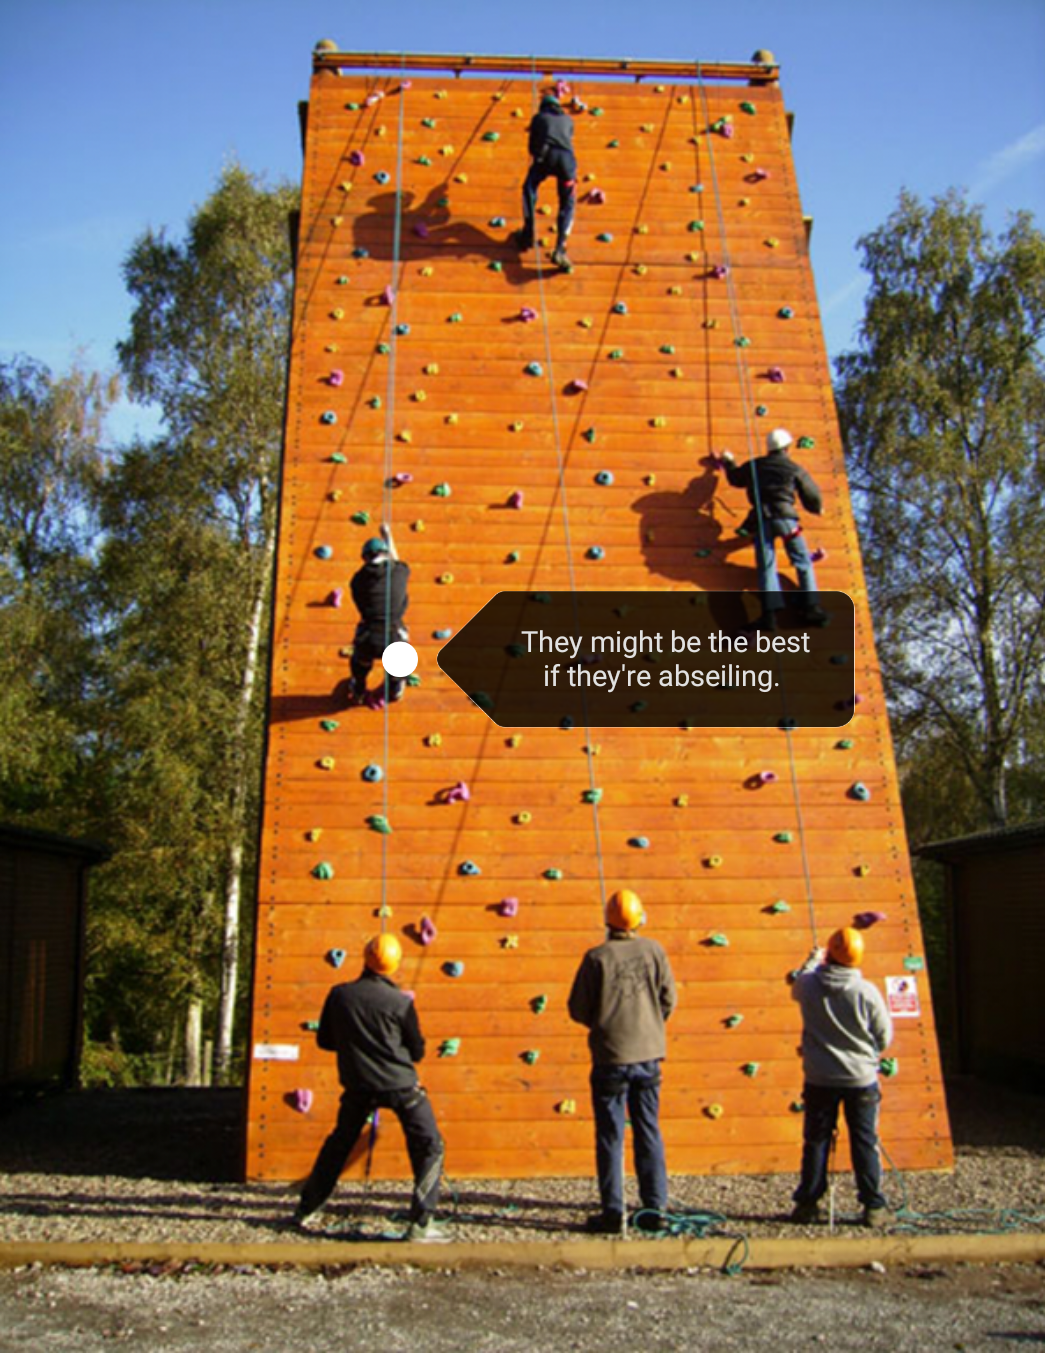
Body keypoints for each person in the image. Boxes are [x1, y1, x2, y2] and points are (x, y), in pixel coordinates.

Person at [293, 933, 446, 1241]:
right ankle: (421, 1223)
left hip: (358, 1086)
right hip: (401, 1086)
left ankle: (306, 1209)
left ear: (365, 958)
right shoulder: (400, 1003)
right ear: (395, 964)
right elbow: (416, 1051)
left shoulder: (339, 995)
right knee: (430, 1145)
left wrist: (356, 1047)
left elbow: (325, 1041)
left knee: (339, 1144)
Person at [567, 889, 677, 1233]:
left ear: (608, 920)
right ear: (640, 918)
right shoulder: (654, 951)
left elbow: (577, 1009)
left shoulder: (596, 958)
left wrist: (603, 1024)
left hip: (610, 1057)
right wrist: (650, 1023)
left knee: (610, 1136)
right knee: (648, 1129)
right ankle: (655, 1209)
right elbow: (669, 999)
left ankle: (613, 1213)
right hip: (648, 1055)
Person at [788, 926, 894, 1227]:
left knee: (816, 1140)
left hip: (819, 1077)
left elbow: (797, 982)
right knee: (864, 1141)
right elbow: (884, 1037)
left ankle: (807, 1204)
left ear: (830, 953)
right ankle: (873, 1207)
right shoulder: (866, 991)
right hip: (860, 1078)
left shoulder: (808, 986)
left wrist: (813, 959)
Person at [721, 428, 827, 627]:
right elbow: (810, 491)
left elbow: (736, 478)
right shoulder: (793, 468)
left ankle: (769, 615)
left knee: (767, 566)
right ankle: (811, 607)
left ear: (769, 448)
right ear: (786, 448)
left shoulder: (755, 465)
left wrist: (728, 461)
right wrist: (816, 507)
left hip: (762, 520)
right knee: (802, 561)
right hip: (785, 518)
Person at [512, 92, 577, 270]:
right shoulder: (568, 120)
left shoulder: (539, 118)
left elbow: (532, 147)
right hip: (566, 162)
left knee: (529, 188)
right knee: (568, 202)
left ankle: (528, 232)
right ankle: (560, 248)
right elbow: (568, 138)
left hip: (546, 157)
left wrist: (539, 158)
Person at [348, 523, 409, 708]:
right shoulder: (399, 572)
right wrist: (387, 535)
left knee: (360, 660)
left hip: (369, 637)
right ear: (385, 554)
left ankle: (358, 687)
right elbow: (395, 560)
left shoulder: (357, 580)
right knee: (402, 654)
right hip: (394, 635)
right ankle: (396, 686)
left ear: (365, 558)